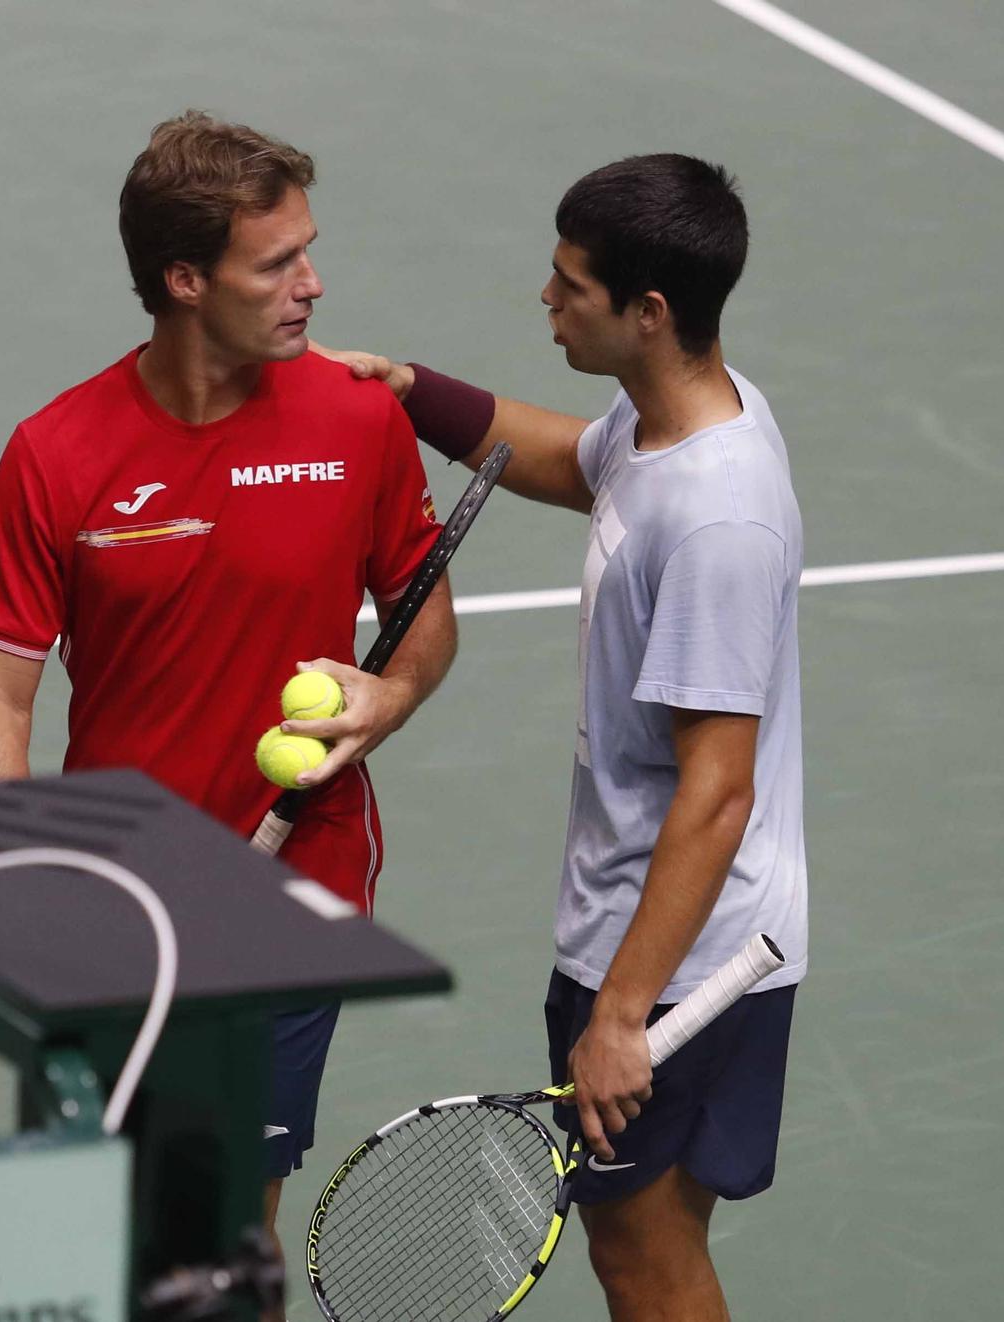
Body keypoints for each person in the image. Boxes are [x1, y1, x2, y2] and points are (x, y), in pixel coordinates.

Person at [0, 111, 457, 1263]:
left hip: (292, 889)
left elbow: (422, 615)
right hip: (116, 899)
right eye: (276, 263)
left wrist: (393, 695)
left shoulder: (358, 417)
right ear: (185, 279)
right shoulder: (58, 451)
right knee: (104, 1221)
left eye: (308, 250)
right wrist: (24, 881)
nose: (313, 284)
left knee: (233, 1229)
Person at [328, 153, 805, 1322]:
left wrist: (620, 1015)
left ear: (647, 311)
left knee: (648, 1261)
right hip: (632, 926)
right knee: (633, 1250)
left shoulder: (715, 520)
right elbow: (562, 458)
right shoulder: (662, 425)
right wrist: (406, 388)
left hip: (681, 954)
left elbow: (716, 793)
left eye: (568, 286)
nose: (546, 300)